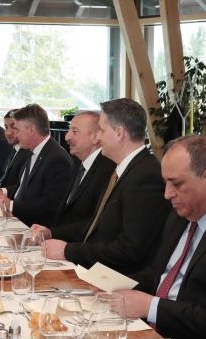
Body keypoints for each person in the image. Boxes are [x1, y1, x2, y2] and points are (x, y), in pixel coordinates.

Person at [114, 136, 206, 339]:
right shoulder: (180, 215)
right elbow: (158, 274)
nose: (167, 194)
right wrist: (110, 285)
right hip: (147, 337)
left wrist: (152, 307)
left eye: (176, 184)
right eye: (165, 183)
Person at [43, 98, 169, 275]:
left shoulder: (145, 175)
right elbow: (100, 226)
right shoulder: (126, 169)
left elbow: (130, 249)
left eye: (102, 130)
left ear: (119, 133)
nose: (98, 137)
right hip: (98, 269)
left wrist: (68, 251)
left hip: (117, 279)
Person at [0, 104, 73, 227]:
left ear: (31, 130)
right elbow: (24, 187)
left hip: (33, 228)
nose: (16, 135)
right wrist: (2, 192)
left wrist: (10, 205)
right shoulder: (32, 150)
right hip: (16, 219)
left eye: (17, 129)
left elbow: (50, 205)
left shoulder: (57, 159)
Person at [51, 110, 115, 230]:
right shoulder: (79, 163)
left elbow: (96, 222)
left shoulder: (107, 170)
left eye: (75, 132)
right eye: (69, 130)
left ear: (96, 137)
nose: (67, 137)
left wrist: (52, 233)